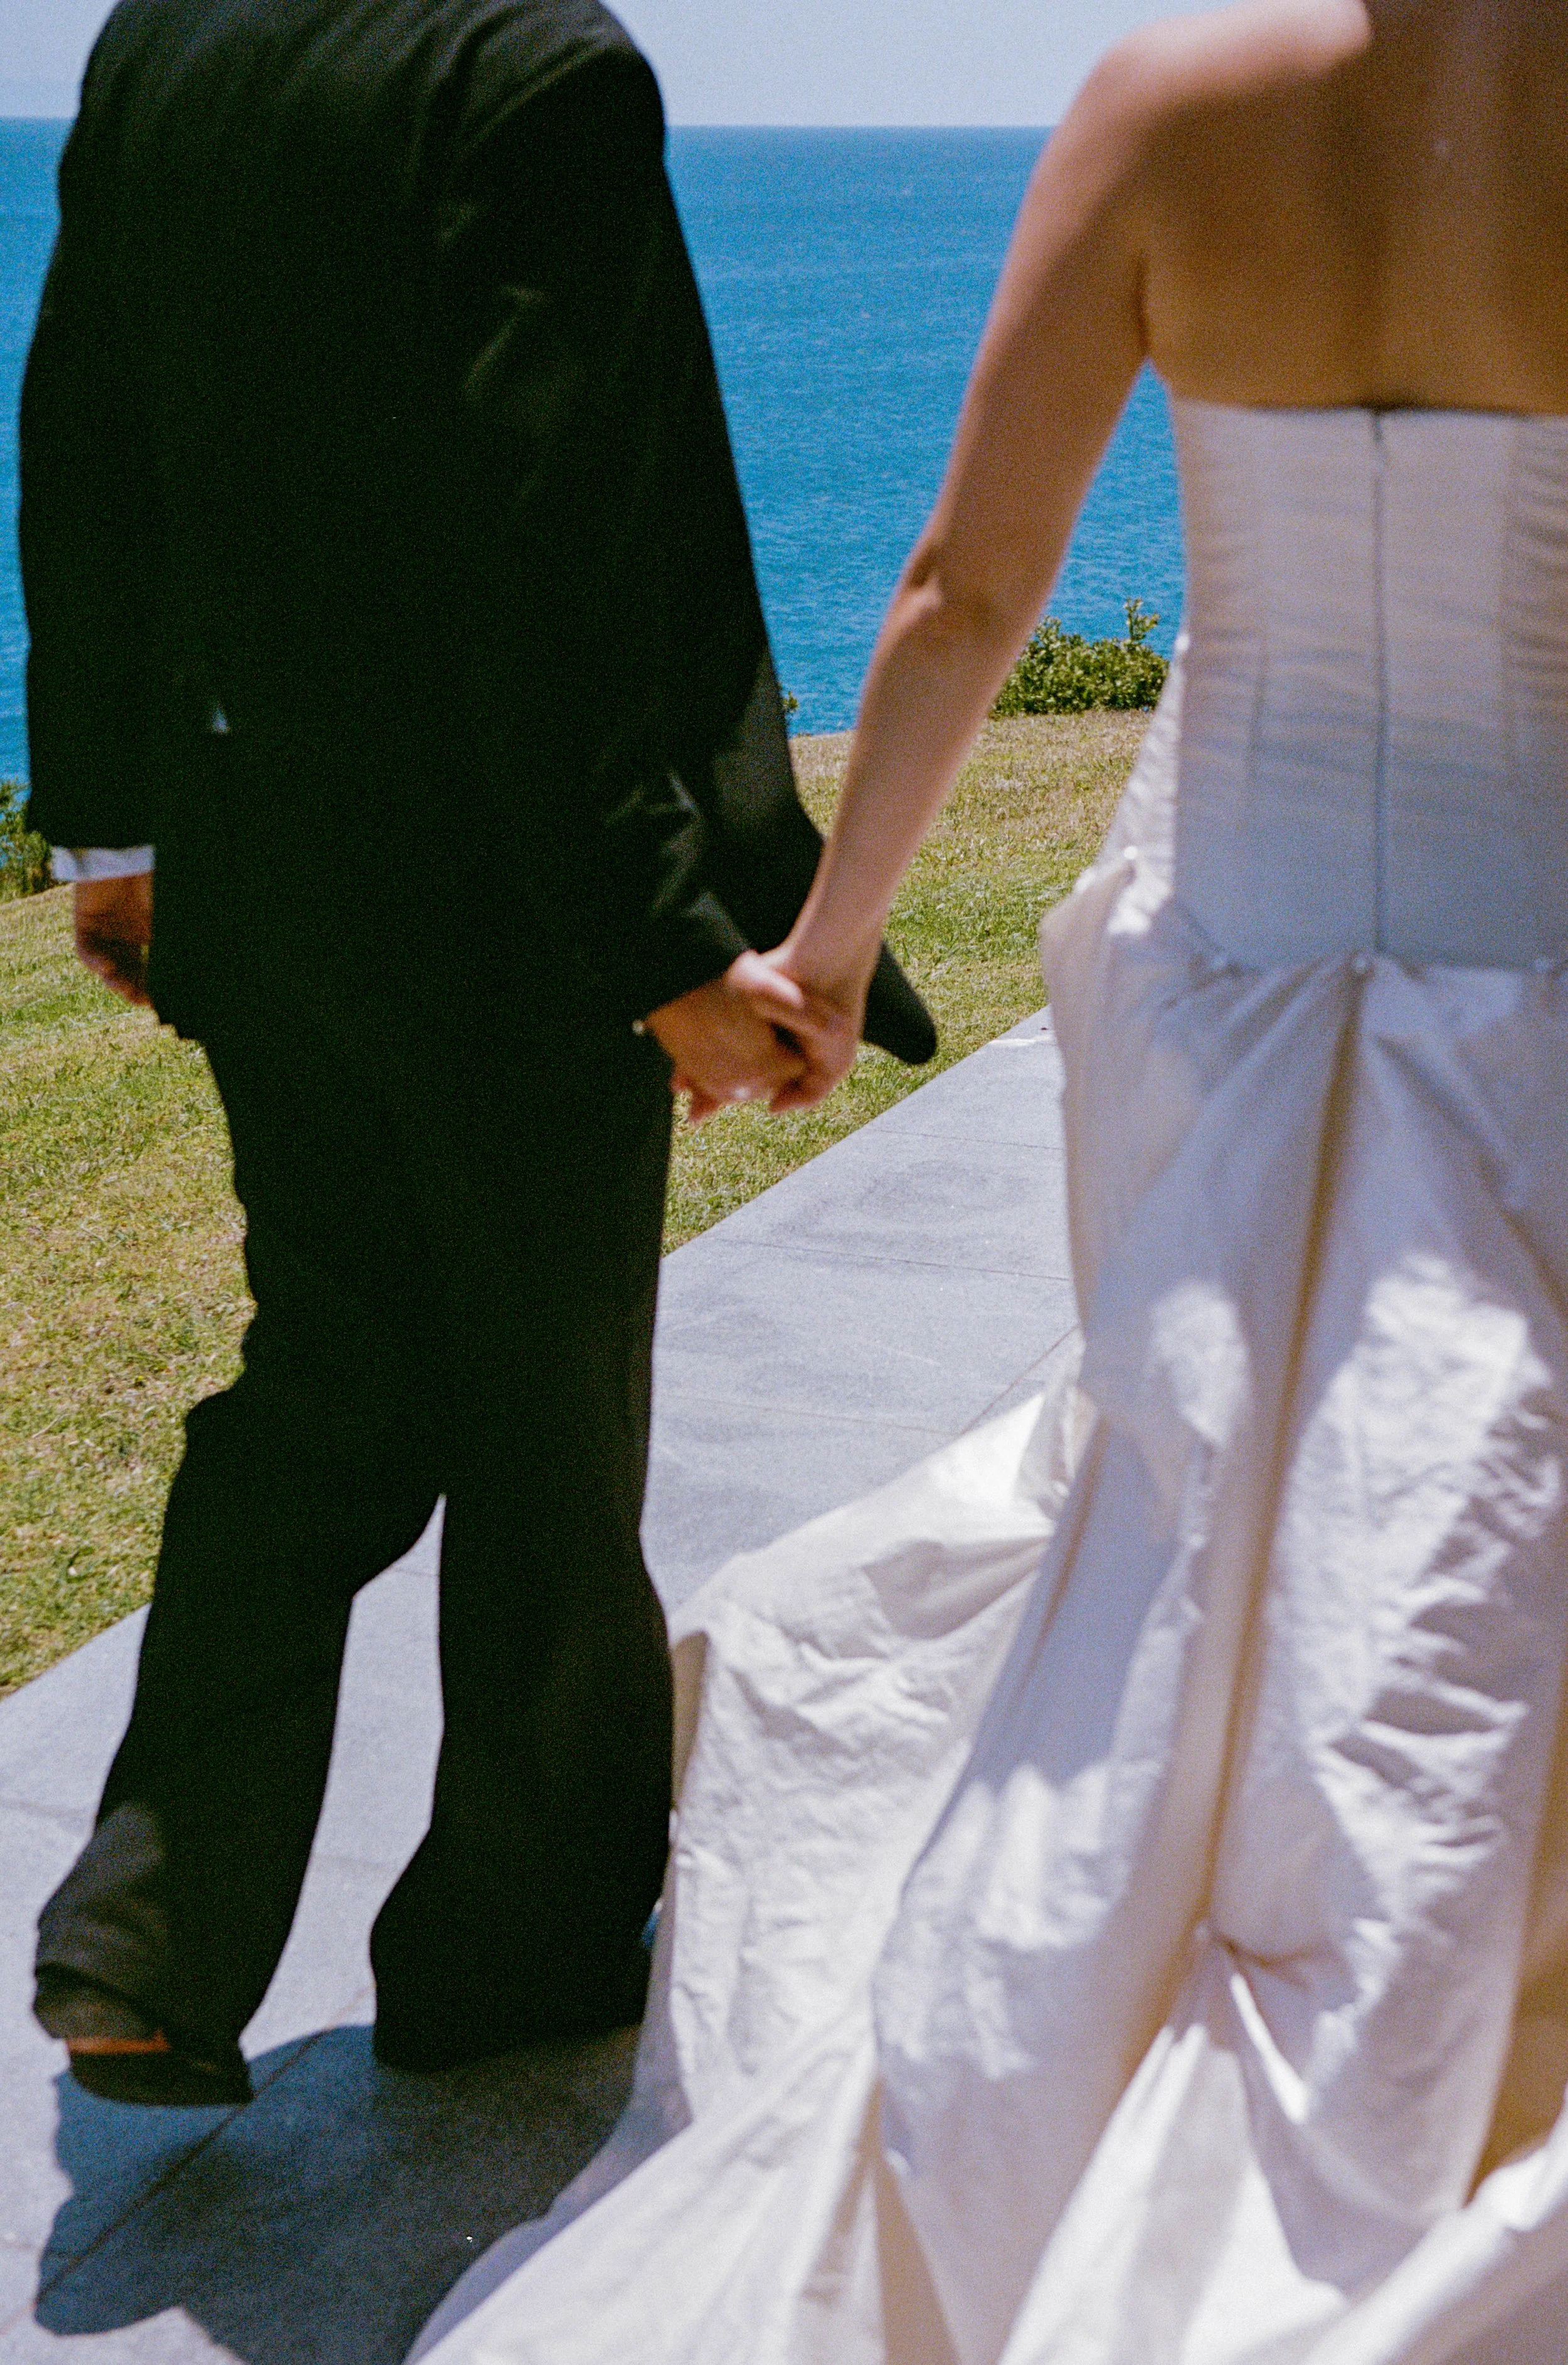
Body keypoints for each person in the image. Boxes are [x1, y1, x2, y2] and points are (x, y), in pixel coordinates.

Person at [407, 1, 1568, 2357]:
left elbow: (962, 584)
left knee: (1196, 1523)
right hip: (1531, 981)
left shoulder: (1163, 109)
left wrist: (821, 958)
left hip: (1223, 986)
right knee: (1471, 1559)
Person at [19, 0, 934, 2110]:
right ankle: (509, 1951)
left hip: (259, 863)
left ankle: (145, 1931)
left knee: (330, 1368)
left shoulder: (165, 41)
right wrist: (670, 938)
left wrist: (124, 825)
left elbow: (81, 437)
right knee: (539, 1422)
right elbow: (572, 531)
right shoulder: (538, 69)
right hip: (505, 900)